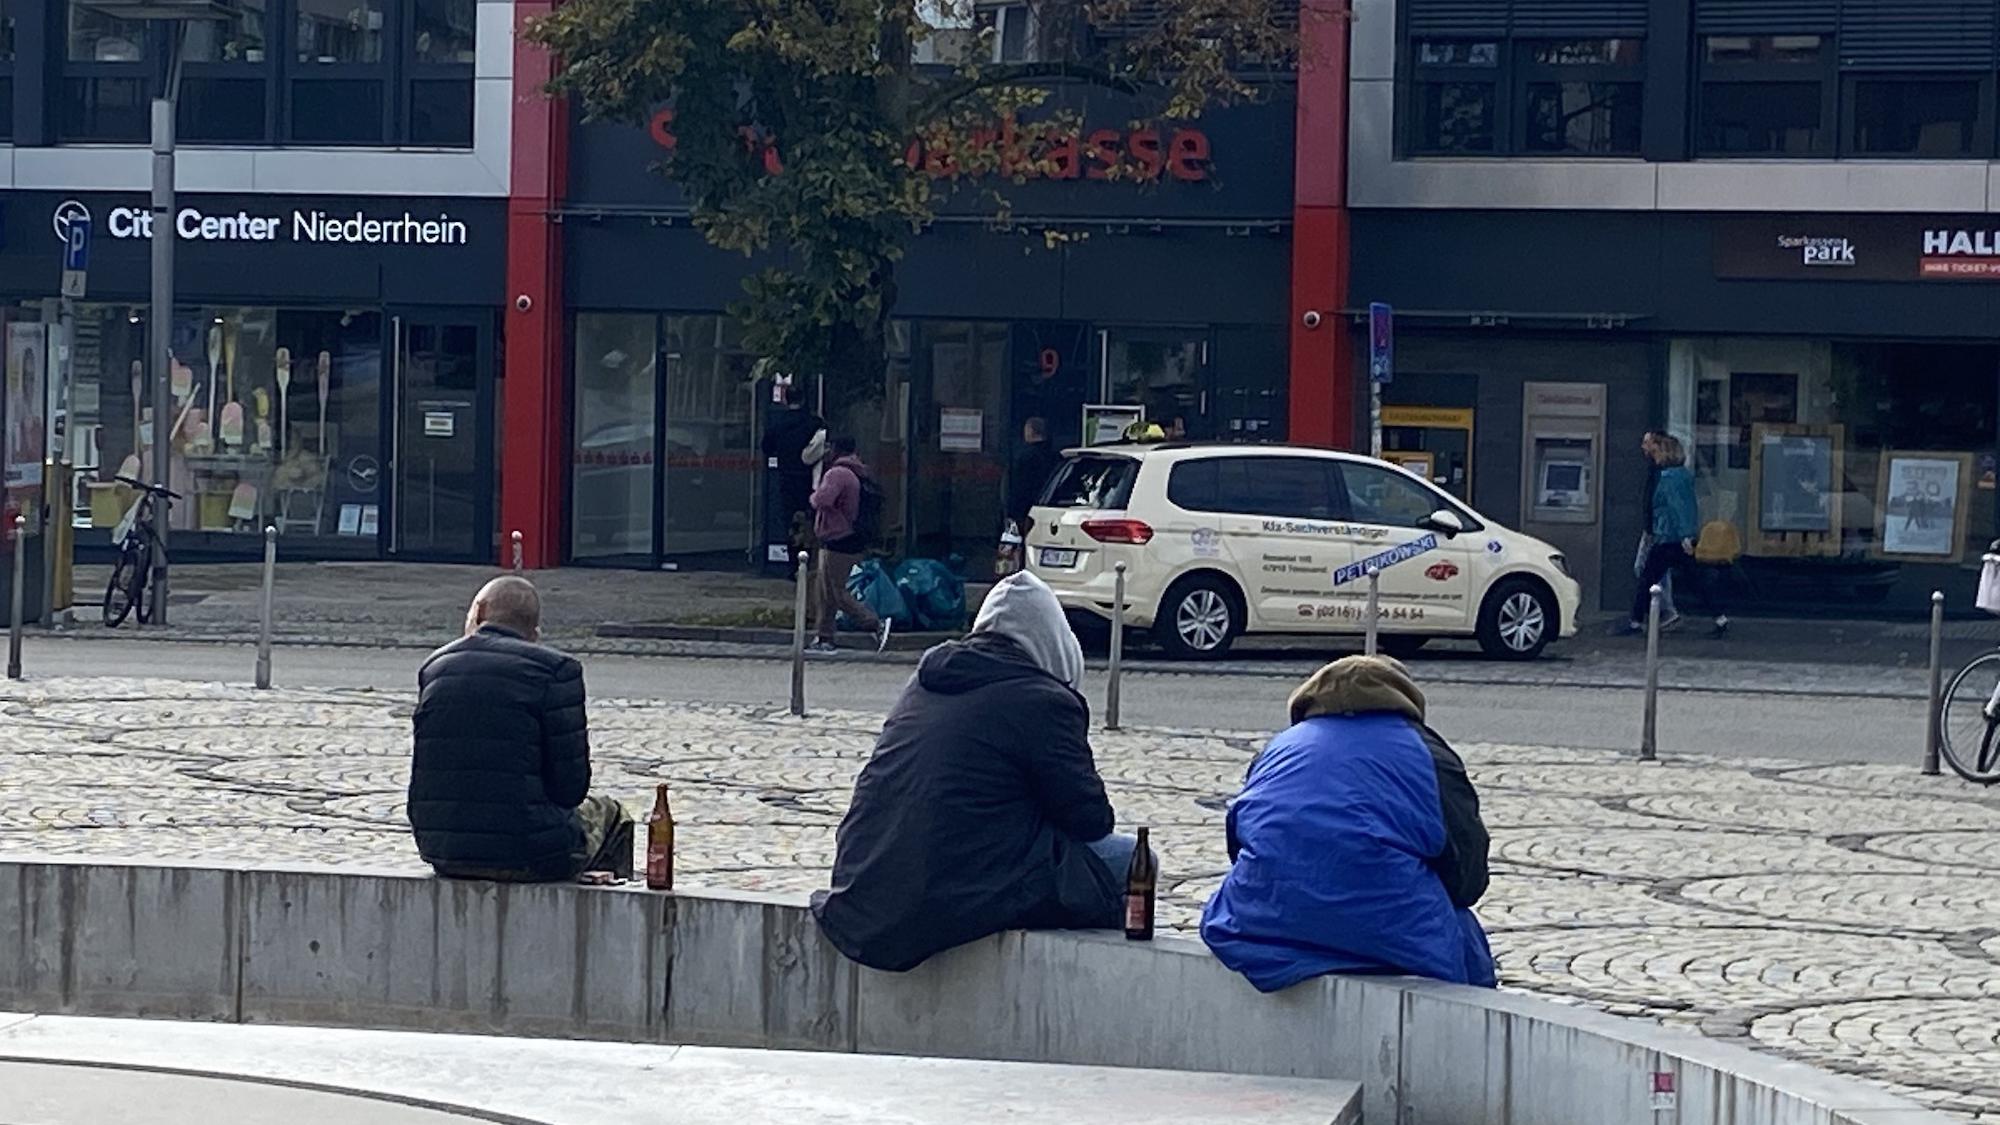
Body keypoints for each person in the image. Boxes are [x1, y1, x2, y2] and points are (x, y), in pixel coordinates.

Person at [812, 572, 1141, 972]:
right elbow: (1091, 820)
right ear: (1056, 641)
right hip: (951, 887)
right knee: (1137, 861)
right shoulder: (1043, 701)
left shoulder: (926, 680)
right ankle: (1110, 996)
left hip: (865, 884)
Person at [1200, 655, 1495, 991]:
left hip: (1256, 928)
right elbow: (1467, 874)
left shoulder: (1278, 748)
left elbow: (1242, 841)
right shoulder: (1427, 752)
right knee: (1464, 937)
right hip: (1393, 939)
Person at [407, 576, 634, 883]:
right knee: (613, 814)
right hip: (528, 853)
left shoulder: (435, 667)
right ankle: (598, 919)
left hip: (442, 849)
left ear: (480, 611)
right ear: (534, 633)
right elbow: (570, 788)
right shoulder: (555, 670)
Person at [1626, 434, 1728, 639]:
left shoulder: (1667, 479)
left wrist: (1684, 535)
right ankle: (1719, 617)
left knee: (1647, 578)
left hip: (1668, 537)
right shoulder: (1682, 476)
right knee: (1695, 580)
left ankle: (1636, 621)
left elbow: (1676, 508)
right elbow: (1686, 508)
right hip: (1676, 537)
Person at [808, 436, 892, 654]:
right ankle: (824, 636)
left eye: (829, 447)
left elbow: (822, 500)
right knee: (825, 591)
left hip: (838, 537)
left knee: (835, 591)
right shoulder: (856, 471)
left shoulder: (837, 473)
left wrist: (813, 495)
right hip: (848, 536)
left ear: (836, 449)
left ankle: (874, 623)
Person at [1636, 431, 1677, 627]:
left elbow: (1661, 501)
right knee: (1657, 570)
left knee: (1645, 568)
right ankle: (1661, 610)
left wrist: (1655, 527)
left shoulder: (1662, 471)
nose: (1642, 446)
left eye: (1646, 442)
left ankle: (1662, 610)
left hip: (1657, 529)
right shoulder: (1657, 469)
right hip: (1654, 527)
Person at [1007, 416, 1062, 532]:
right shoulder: (1058, 457)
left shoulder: (1024, 457)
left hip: (1028, 510)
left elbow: (1018, 487)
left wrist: (1013, 513)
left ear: (1030, 432)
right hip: (1054, 509)